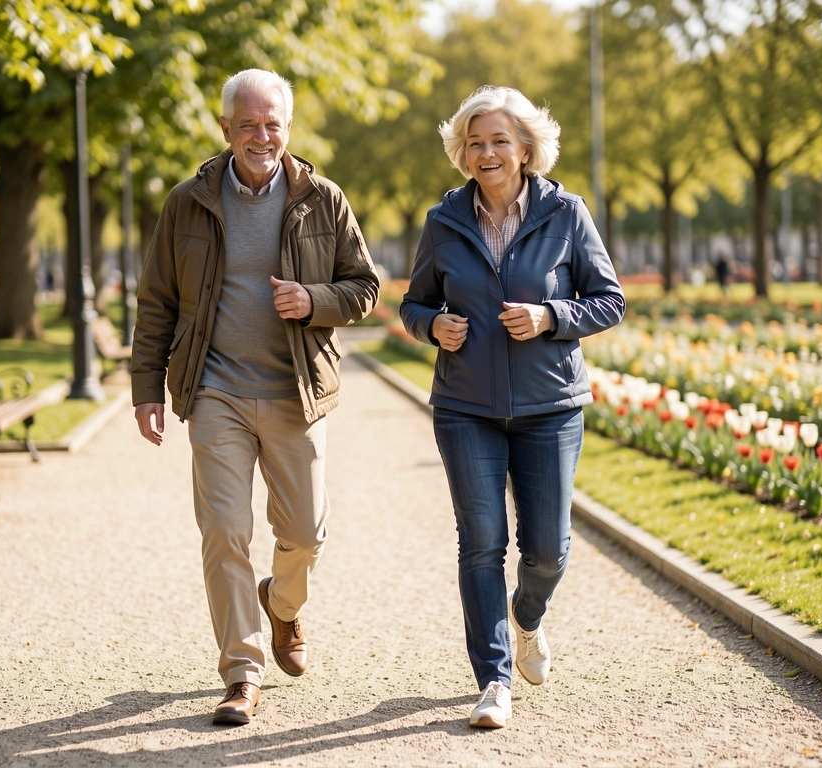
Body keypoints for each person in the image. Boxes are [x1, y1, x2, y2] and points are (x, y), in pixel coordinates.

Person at [131, 69, 379, 725]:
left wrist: (313, 301)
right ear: (225, 130)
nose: (260, 136)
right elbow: (156, 300)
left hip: (296, 391)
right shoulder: (188, 202)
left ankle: (284, 604)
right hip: (215, 391)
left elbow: (364, 287)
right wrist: (145, 386)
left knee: (305, 533)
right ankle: (241, 673)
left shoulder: (323, 199)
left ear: (287, 128)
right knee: (224, 531)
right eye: (247, 124)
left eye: (272, 124)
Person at [400, 86, 625, 729]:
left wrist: (551, 315)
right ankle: (494, 678)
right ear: (462, 152)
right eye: (475, 142)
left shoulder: (566, 212)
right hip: (465, 405)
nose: (487, 152)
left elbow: (609, 300)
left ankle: (527, 617)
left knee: (548, 550)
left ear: (527, 149)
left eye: (500, 140)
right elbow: (414, 303)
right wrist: (431, 325)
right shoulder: (444, 220)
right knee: (481, 544)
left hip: (550, 404)